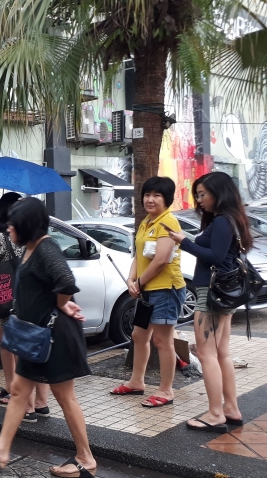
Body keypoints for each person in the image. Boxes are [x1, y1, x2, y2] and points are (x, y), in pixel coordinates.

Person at [0, 198, 96, 477]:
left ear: (27, 225)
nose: (8, 228)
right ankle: (0, 451)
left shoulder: (46, 248)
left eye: (14, 224)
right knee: (18, 392)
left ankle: (85, 457)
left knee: (65, 397)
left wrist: (62, 303)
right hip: (34, 338)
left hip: (54, 338)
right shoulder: (30, 247)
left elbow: (66, 280)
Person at [167, 172, 250, 432]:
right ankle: (231, 409)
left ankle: (215, 413)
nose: (199, 200)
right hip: (224, 293)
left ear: (220, 193)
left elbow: (214, 255)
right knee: (221, 352)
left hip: (210, 293)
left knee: (205, 353)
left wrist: (184, 242)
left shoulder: (223, 221)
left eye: (203, 194)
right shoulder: (230, 219)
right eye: (198, 195)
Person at [110, 177, 186, 409]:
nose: (150, 200)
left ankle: (166, 390)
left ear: (167, 199)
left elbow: (162, 260)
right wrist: (131, 280)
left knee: (163, 341)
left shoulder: (168, 222)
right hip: (147, 290)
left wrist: (139, 282)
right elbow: (140, 254)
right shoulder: (147, 222)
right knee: (139, 336)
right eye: (147, 195)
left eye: (157, 196)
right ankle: (136, 382)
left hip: (165, 289)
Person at [0, 193, 50, 422]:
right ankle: (40, 403)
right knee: (34, 349)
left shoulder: (1, 236)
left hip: (8, 299)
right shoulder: (35, 237)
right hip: (32, 299)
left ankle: (20, 398)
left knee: (12, 346)